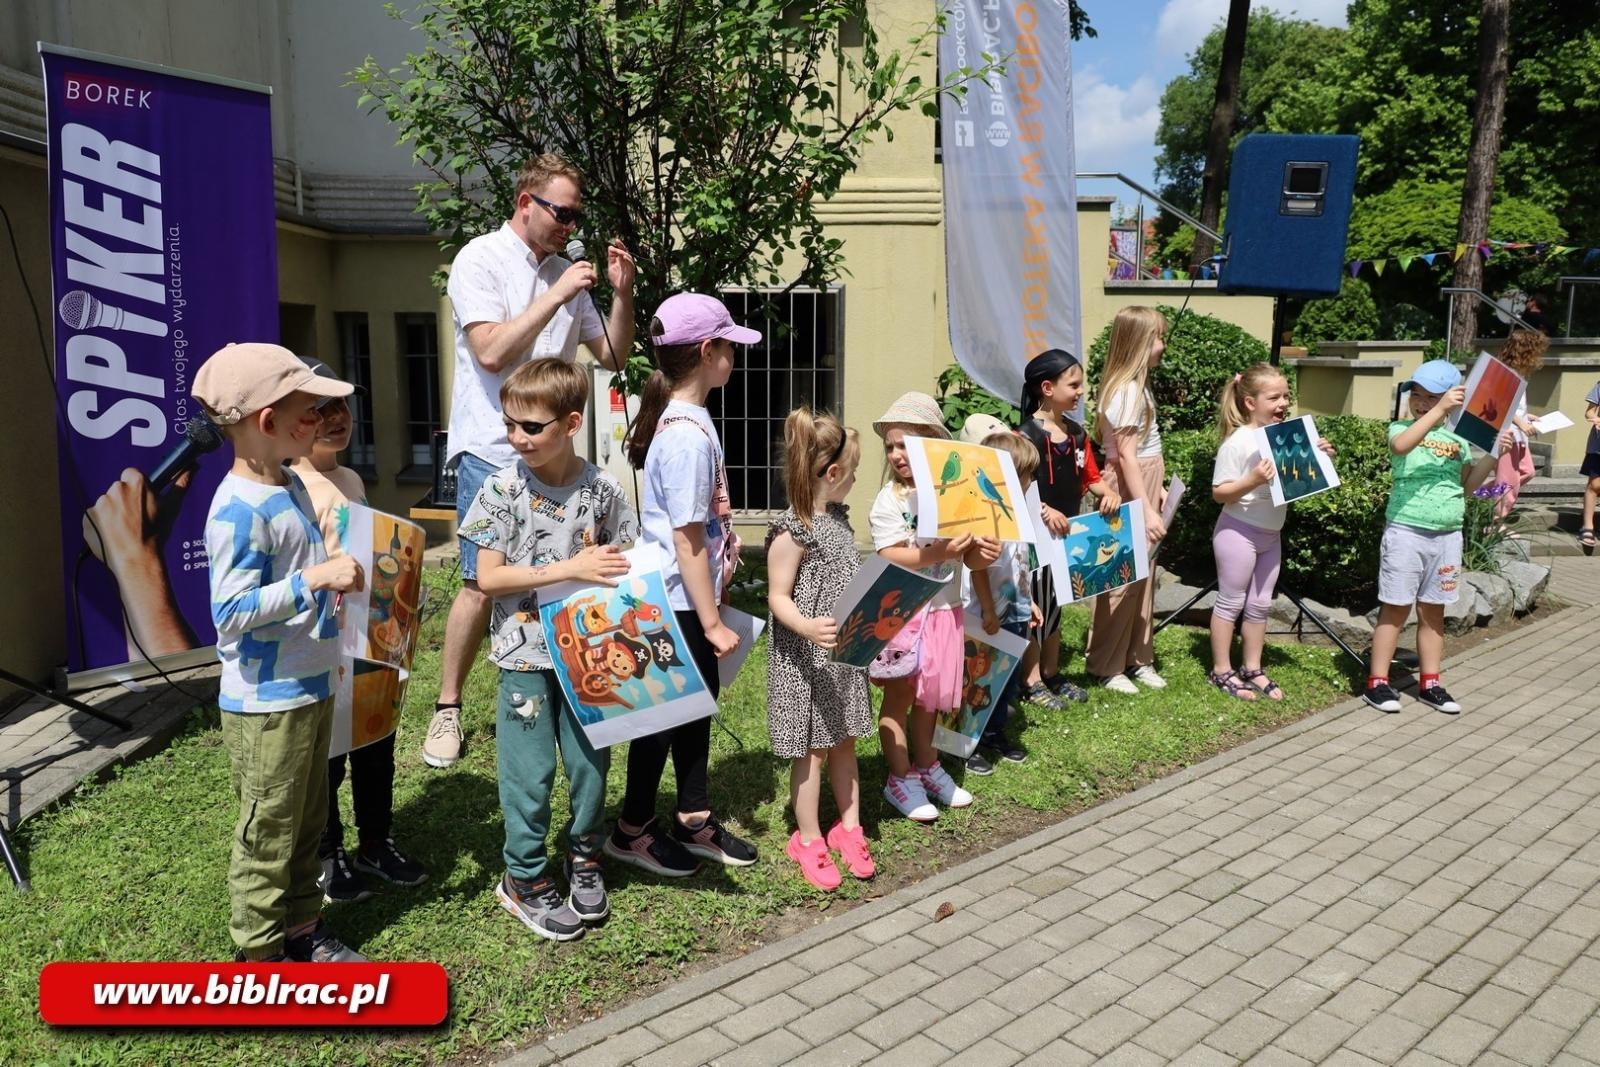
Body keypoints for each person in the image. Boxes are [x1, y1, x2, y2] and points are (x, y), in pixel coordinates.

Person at [427, 152, 638, 770]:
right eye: (561, 213)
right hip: (493, 452)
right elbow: (491, 352)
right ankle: (447, 710)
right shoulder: (480, 259)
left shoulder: (565, 273)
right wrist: (559, 293)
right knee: (477, 580)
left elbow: (613, 356)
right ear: (526, 203)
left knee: (563, 570)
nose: (570, 226)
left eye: (577, 216)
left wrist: (620, 296)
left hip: (557, 458)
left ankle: (562, 681)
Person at [194, 342, 366, 963]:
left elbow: (304, 564)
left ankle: (301, 930)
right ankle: (258, 956)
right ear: (268, 420)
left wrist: (333, 577)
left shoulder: (290, 481)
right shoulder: (237, 511)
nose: (321, 422)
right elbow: (231, 613)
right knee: (267, 832)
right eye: (310, 412)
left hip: (310, 682)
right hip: (267, 703)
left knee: (307, 823)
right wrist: (314, 582)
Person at [459, 357, 636, 941]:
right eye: (509, 424)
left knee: (591, 765)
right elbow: (488, 579)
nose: (517, 438)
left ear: (571, 422)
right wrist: (571, 566)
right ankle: (524, 876)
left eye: (531, 427)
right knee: (528, 773)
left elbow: (625, 561)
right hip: (525, 658)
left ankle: (584, 856)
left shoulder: (605, 488)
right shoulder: (502, 488)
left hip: (590, 653)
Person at [608, 293, 761, 876]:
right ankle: (632, 829)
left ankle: (693, 816)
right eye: (728, 345)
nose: (733, 356)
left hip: (690, 597)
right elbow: (687, 540)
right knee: (663, 717)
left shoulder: (688, 421)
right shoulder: (687, 437)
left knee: (694, 711)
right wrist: (714, 621)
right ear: (706, 351)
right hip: (678, 602)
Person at [288, 359, 428, 904]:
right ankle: (327, 853)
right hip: (323, 644)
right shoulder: (291, 485)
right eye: (320, 408)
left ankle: (376, 841)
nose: (336, 418)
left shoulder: (348, 478)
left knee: (376, 744)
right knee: (328, 759)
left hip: (371, 639)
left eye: (343, 405)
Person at [869, 392, 996, 821]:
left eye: (904, 444)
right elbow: (889, 553)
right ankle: (898, 778)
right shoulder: (890, 500)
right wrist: (938, 552)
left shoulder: (954, 494)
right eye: (890, 446)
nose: (896, 454)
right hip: (904, 615)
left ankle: (927, 766)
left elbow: (971, 556)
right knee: (899, 698)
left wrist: (983, 553)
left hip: (943, 611)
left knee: (931, 700)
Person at [764, 407, 874, 891]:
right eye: (852, 474)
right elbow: (776, 596)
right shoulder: (794, 529)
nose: (854, 482)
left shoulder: (838, 521)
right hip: (806, 663)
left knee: (844, 741)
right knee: (811, 751)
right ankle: (807, 837)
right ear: (832, 474)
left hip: (842, 660)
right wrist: (807, 627)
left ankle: (849, 827)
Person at [1364, 360, 1503, 715]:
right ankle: (1377, 683)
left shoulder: (1459, 441)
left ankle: (1430, 683)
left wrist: (1497, 452)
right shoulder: (1400, 428)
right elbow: (1401, 447)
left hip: (1446, 536)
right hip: (1407, 531)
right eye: (1418, 395)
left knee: (1433, 612)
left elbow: (1465, 487)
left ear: (1454, 399)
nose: (1422, 402)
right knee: (1395, 608)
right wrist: (1439, 410)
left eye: (1433, 397)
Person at [1207, 364, 1335, 701]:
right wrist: (1252, 480)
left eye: (1286, 396)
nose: (1283, 403)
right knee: (1231, 601)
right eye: (1274, 397)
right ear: (1250, 402)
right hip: (1239, 531)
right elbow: (1219, 493)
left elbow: (1301, 480)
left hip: (1270, 534)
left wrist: (1319, 459)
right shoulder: (1237, 442)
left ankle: (1252, 668)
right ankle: (1221, 670)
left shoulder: (1284, 436)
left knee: (1261, 603)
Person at [1016, 349, 1121, 706]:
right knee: (1036, 608)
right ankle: (1030, 681)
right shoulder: (1026, 435)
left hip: (1067, 536)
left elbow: (1091, 477)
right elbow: (1018, 487)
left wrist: (1107, 493)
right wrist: (1043, 509)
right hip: (1036, 537)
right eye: (1073, 385)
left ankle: (1051, 671)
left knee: (1056, 605)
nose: (1080, 392)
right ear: (1047, 387)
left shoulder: (1077, 434)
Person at [1086, 307, 1169, 694]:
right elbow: (1127, 457)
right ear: (1138, 343)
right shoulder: (1127, 391)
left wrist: (1159, 488)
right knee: (1119, 575)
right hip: (1130, 483)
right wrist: (1148, 507)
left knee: (1143, 575)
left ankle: (1137, 656)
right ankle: (1106, 663)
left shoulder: (1137, 385)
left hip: (1144, 479)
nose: (1162, 347)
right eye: (1157, 339)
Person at [962, 430, 1045, 777]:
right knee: (979, 681)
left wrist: (1030, 604)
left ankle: (995, 734)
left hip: (1015, 611)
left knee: (1006, 679)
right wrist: (991, 611)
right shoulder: (987, 517)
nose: (1032, 480)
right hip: (986, 615)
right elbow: (980, 571)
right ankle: (968, 743)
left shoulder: (1017, 512)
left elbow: (1019, 564)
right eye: (1027, 474)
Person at [1493, 329, 1549, 524]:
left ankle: (1480, 494)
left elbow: (1515, 405)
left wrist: (1527, 416)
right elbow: (1501, 405)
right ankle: (1495, 521)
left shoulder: (1517, 374)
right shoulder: (1506, 374)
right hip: (1508, 435)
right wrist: (1521, 422)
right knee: (1507, 480)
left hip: (1518, 434)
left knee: (1527, 472)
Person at [1581, 379, 1600, 550]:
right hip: (1598, 446)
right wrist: (1596, 419)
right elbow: (1589, 413)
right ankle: (1588, 526)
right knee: (1595, 484)